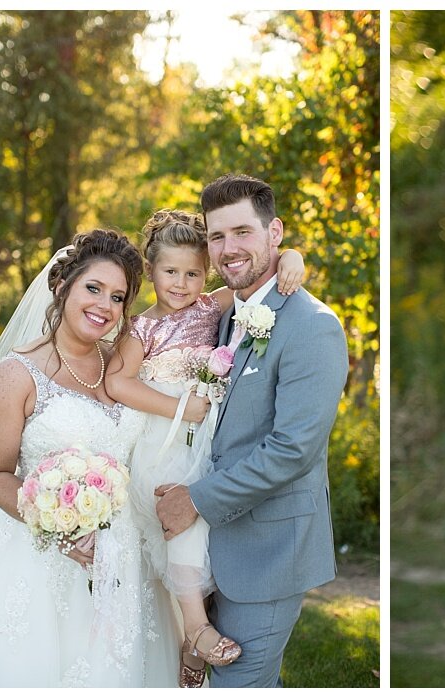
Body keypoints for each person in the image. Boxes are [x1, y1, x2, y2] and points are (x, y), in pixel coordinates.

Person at [0, 229, 179, 687]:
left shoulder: (124, 363)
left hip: (127, 556)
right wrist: (57, 525)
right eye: (94, 288)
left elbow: (202, 302)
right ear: (62, 284)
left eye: (119, 297)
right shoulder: (15, 376)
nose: (105, 306)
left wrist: (288, 261)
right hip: (41, 555)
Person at [154, 174, 348, 688]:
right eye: (217, 237)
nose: (228, 248)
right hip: (211, 545)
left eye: (243, 232)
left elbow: (293, 449)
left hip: (268, 551)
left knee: (239, 685)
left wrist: (194, 500)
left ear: (275, 231)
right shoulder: (219, 316)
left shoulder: (313, 326)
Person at [104, 208, 307, 687]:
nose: (181, 283)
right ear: (150, 271)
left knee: (214, 530)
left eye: (193, 273)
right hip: (166, 439)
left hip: (209, 438)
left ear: (207, 274)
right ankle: (196, 627)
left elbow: (266, 272)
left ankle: (190, 646)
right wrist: (179, 410)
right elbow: (117, 382)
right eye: (170, 272)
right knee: (181, 517)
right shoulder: (142, 329)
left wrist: (293, 255)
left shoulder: (211, 307)